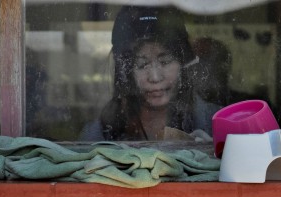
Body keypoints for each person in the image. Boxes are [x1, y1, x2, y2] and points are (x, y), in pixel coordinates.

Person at [82, 6, 220, 142]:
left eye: (165, 62)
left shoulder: (216, 122)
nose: (154, 77)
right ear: (125, 71)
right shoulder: (101, 133)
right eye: (141, 65)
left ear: (183, 63)